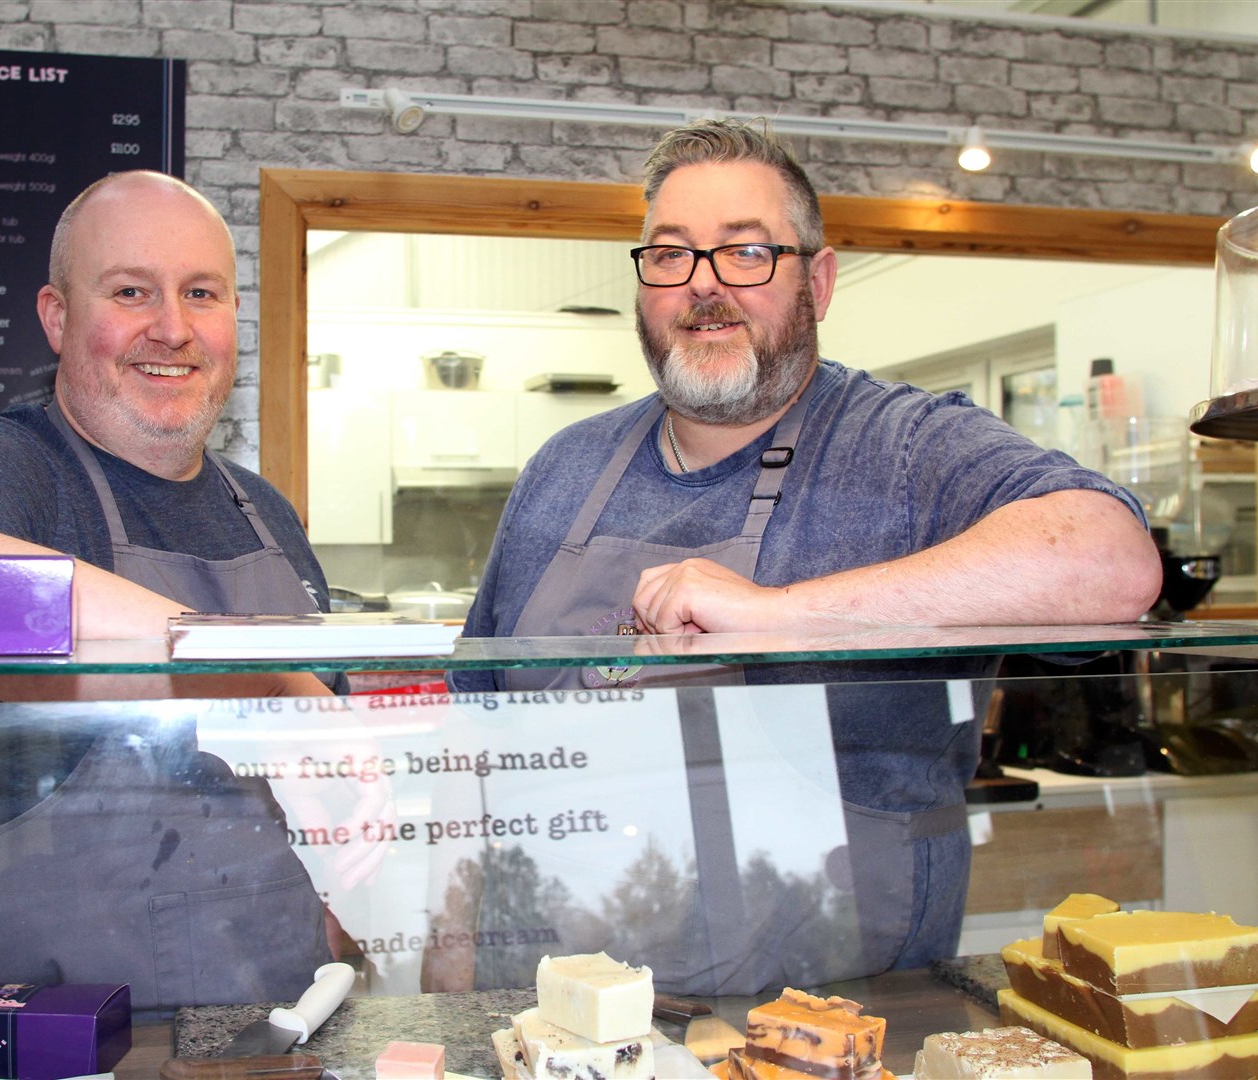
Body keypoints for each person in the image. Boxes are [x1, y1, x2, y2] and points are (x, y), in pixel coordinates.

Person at [451, 120, 1161, 994]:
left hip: (832, 1017)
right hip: (552, 1013)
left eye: (747, 253)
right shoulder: (565, 469)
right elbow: (475, 743)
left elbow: (1112, 563)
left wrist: (774, 614)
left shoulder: (906, 447)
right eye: (671, 255)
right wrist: (453, 943)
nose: (704, 287)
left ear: (817, 281)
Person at [0, 171, 352, 1009]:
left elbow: (317, 781)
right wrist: (268, 673)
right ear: (58, 316)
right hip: (35, 1020)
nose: (172, 328)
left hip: (269, 1016)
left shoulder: (266, 513)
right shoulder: (5, 463)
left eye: (200, 292)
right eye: (132, 291)